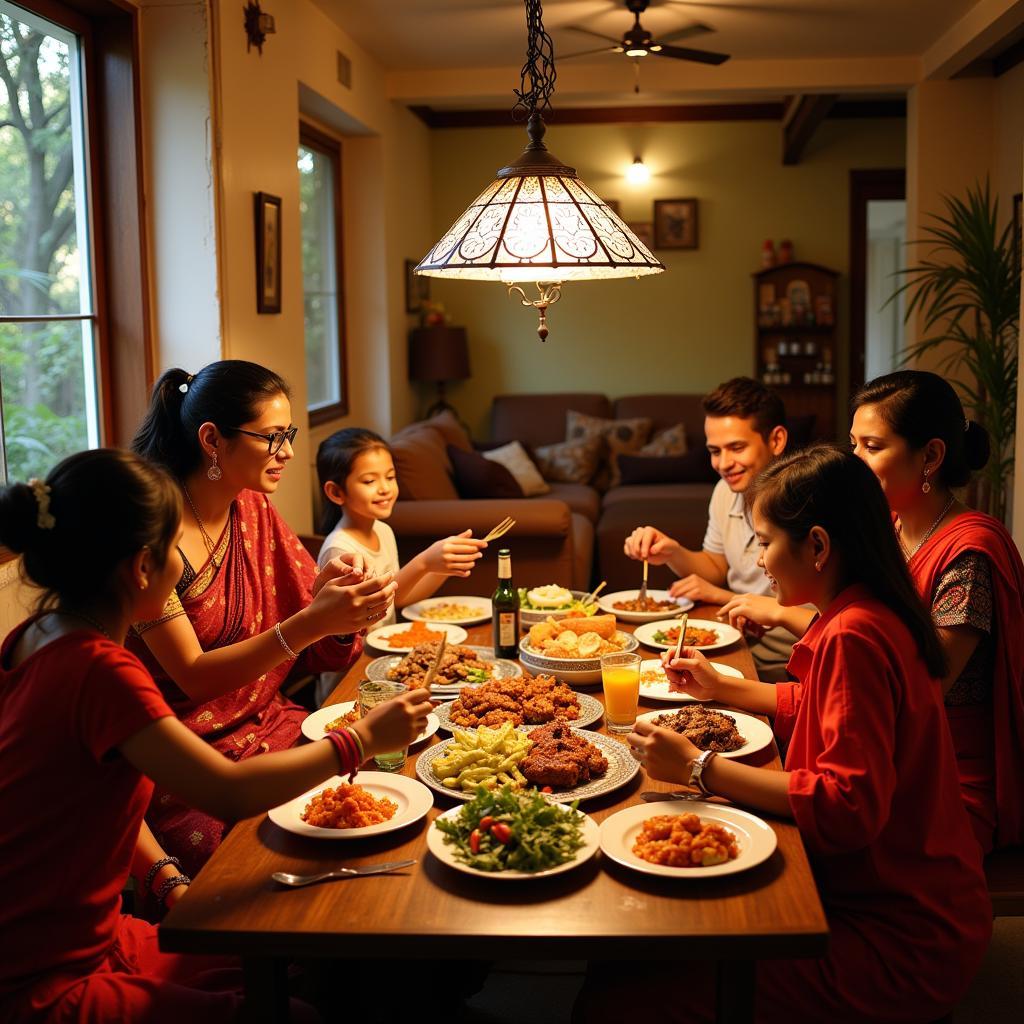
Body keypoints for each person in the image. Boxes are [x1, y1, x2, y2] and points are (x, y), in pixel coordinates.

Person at [0, 449, 431, 1023]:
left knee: (291, 965)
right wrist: (360, 739)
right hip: (41, 975)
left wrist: (165, 878)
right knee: (298, 1005)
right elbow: (226, 791)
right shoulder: (100, 671)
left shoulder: (34, 635)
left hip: (81, 934)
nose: (186, 569)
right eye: (175, 551)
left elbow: (83, 802)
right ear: (142, 568)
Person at [578, 446, 991, 1024]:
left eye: (766, 541)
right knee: (636, 953)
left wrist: (698, 766)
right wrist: (718, 686)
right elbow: (819, 705)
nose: (762, 560)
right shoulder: (866, 611)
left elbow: (850, 807)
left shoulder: (855, 636)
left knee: (619, 1000)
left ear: (818, 545)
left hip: (899, 933)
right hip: (912, 901)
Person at [722, 370, 1024, 853]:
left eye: (872, 446)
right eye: (853, 444)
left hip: (941, 781)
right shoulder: (889, 525)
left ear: (930, 456)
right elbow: (856, 675)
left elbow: (916, 686)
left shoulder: (970, 552)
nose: (856, 461)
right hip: (879, 752)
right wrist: (726, 686)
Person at [128, 360, 396, 875]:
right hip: (188, 759)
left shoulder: (252, 508)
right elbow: (193, 676)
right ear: (212, 440)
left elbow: (316, 641)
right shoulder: (151, 538)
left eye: (289, 434)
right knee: (274, 864)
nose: (290, 452)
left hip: (272, 722)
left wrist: (336, 591)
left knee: (374, 806)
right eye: (273, 437)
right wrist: (314, 620)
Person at [623, 377, 792, 680]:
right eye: (715, 451)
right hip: (737, 641)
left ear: (776, 440)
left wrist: (719, 595)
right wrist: (672, 552)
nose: (724, 463)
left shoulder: (807, 502)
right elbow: (715, 566)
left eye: (736, 448)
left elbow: (827, 616)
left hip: (785, 662)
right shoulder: (725, 491)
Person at [314, 428, 489, 703]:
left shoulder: (382, 530)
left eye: (390, 477)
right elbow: (372, 611)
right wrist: (423, 562)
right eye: (370, 480)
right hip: (352, 680)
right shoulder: (341, 551)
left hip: (388, 668)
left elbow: (400, 599)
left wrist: (441, 567)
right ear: (336, 492)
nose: (385, 488)